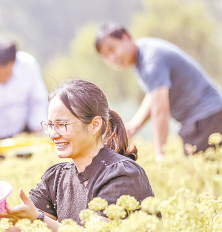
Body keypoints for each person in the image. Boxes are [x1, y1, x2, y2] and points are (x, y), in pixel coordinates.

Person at [0, 79, 154, 232]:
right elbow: (24, 229)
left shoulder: (122, 174)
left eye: (62, 125)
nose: (53, 135)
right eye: (50, 125)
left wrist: (39, 218)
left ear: (95, 125)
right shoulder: (55, 178)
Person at [95, 23, 222, 159]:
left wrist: (160, 153)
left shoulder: (150, 61)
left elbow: (160, 110)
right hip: (212, 115)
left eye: (112, 49)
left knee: (200, 172)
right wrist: (133, 127)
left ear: (126, 38)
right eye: (106, 56)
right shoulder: (144, 52)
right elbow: (153, 96)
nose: (112, 58)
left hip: (205, 119)